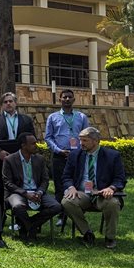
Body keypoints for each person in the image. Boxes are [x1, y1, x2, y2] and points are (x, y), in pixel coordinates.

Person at [61, 127, 126, 249]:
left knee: (112, 203)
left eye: (85, 141)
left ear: (95, 141)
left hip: (101, 194)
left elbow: (120, 178)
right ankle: (87, 233)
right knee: (67, 202)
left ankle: (110, 237)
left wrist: (111, 188)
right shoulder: (75, 155)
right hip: (82, 193)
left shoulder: (112, 156)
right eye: (80, 140)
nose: (81, 144)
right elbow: (66, 176)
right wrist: (71, 187)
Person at [3, 132, 62, 241]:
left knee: (56, 207)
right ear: (23, 145)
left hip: (37, 192)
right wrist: (25, 194)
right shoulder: (10, 159)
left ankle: (30, 225)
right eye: (33, 143)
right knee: (17, 206)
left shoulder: (39, 159)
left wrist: (39, 192)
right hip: (18, 192)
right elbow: (8, 182)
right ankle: (32, 228)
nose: (36, 145)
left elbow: (45, 179)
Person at [45, 89, 90, 227]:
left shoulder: (81, 117)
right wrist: (58, 150)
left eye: (70, 97)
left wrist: (80, 150)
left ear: (74, 100)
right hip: (59, 156)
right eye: (64, 97)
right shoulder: (53, 117)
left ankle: (76, 215)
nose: (67, 99)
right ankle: (61, 215)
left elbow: (87, 136)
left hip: (77, 157)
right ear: (60, 100)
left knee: (77, 185)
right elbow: (48, 137)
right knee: (60, 186)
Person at [0, 91, 35, 202]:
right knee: (1, 186)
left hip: (22, 158)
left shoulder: (26, 120)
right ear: (1, 105)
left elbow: (32, 137)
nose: (8, 103)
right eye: (5, 102)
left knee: (21, 184)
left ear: (15, 103)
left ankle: (19, 212)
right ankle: (0, 215)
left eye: (10, 101)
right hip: (1, 159)